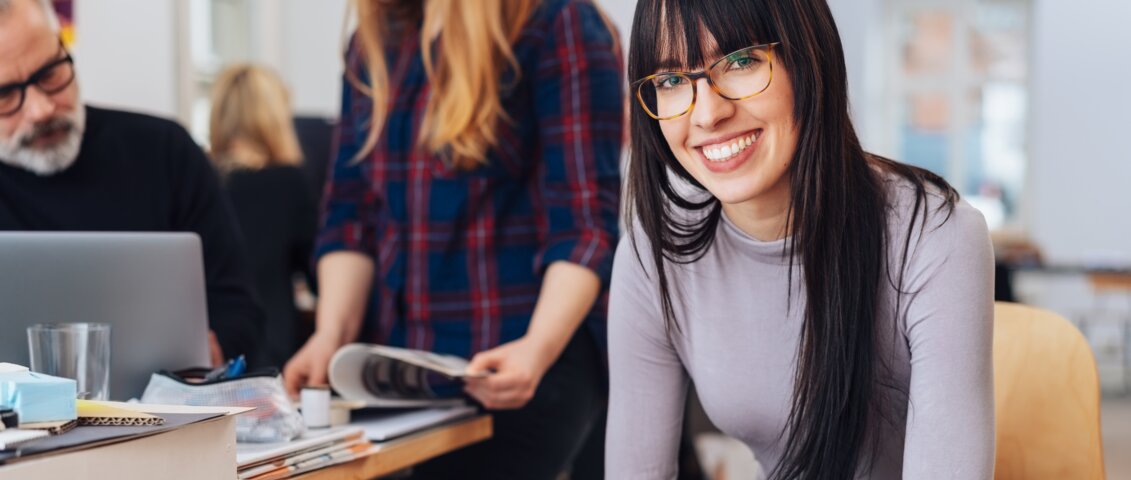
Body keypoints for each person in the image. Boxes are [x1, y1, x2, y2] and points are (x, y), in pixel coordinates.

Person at [607, 0, 995, 479]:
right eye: (669, 81)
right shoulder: (655, 252)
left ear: (809, 60)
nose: (707, 114)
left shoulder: (935, 235)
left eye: (741, 61)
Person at [282, 0, 623, 478]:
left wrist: (537, 347)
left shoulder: (557, 22)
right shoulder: (374, 44)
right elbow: (350, 213)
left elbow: (585, 224)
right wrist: (330, 335)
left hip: (521, 367)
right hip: (402, 377)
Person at [0, 0, 263, 365]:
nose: (41, 109)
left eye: (49, 74)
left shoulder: (164, 151)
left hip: (165, 414)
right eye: (5, 95)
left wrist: (205, 353)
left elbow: (239, 310)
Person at [209, 64, 318, 370]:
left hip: (212, 353)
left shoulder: (201, 182)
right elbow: (317, 273)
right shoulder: (287, 182)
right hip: (269, 354)